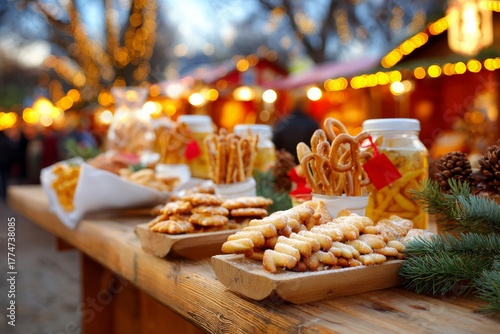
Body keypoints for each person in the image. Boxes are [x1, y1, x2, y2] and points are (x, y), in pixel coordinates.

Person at [272, 94, 319, 164]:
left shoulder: (282, 123)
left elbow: (275, 146)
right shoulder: (312, 124)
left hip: (285, 169)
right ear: (306, 104)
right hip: (307, 170)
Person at [0, 131, 14, 201]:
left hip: (2, 162)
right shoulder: (7, 141)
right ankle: (4, 193)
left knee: (2, 178)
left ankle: (2, 193)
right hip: (6, 163)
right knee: (5, 178)